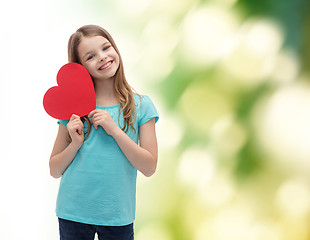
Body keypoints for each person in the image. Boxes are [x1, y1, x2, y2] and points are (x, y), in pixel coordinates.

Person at [49, 24, 159, 240]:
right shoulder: (72, 109)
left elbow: (149, 167)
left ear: (115, 49)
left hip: (118, 215)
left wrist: (115, 131)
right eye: (90, 56)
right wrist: (75, 143)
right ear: (80, 67)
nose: (102, 57)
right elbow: (54, 169)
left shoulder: (141, 106)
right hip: (73, 213)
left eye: (106, 47)